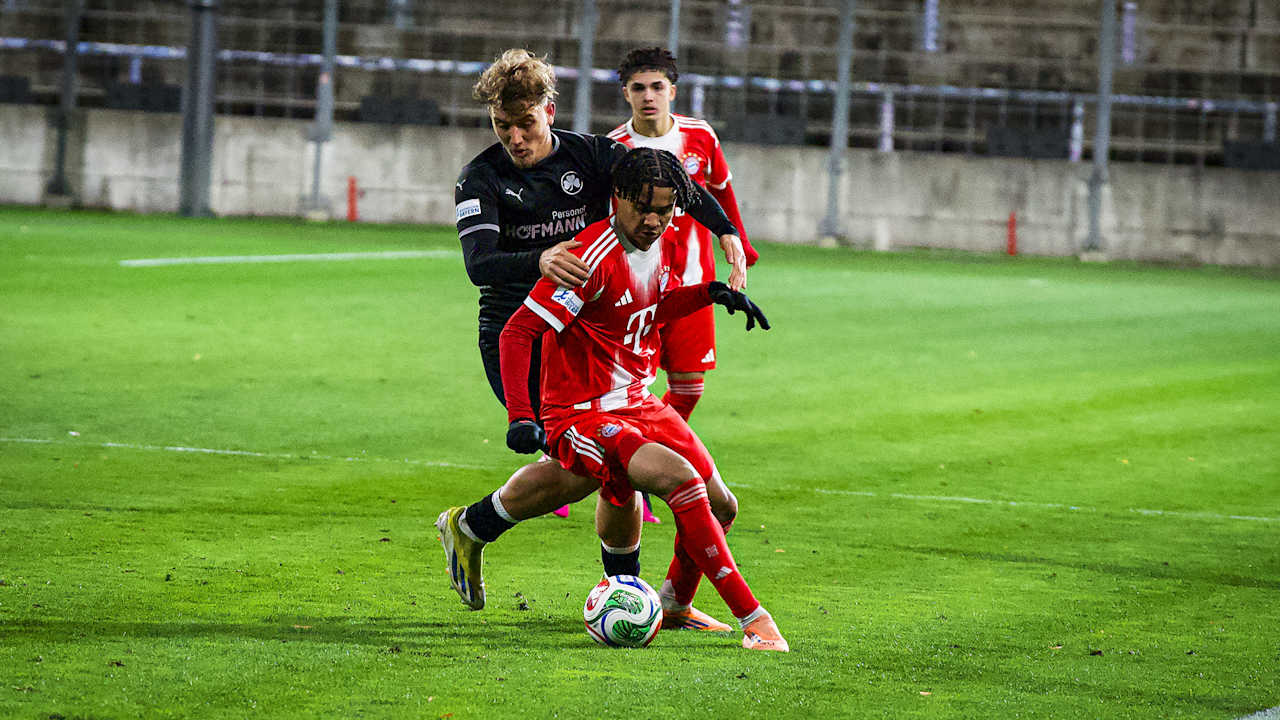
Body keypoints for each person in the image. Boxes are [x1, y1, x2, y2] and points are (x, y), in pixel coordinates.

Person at [437, 49, 746, 629]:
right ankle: (475, 528)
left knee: (610, 464)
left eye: (525, 124)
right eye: (503, 127)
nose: (516, 138)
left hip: (589, 331)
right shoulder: (479, 178)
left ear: (548, 112)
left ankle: (624, 595)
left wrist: (725, 230)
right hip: (520, 332)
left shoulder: (590, 155)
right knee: (587, 467)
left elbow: (665, 178)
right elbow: (480, 265)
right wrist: (541, 257)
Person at [499, 146, 788, 651]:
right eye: (643, 209)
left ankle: (675, 606)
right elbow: (518, 332)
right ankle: (755, 620)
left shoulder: (668, 240)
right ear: (618, 199)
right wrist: (521, 416)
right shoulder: (588, 257)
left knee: (723, 506)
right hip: (582, 412)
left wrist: (710, 293)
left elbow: (649, 307)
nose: (654, 220)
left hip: (637, 397)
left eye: (665, 209)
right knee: (677, 478)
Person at [608, 47, 758, 525]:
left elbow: (719, 193)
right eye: (638, 88)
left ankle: (641, 468)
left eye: (657, 87)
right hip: (634, 286)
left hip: (692, 281)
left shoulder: (699, 136)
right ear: (626, 94)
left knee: (688, 388)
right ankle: (607, 470)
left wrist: (739, 245)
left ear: (672, 91)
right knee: (626, 393)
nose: (648, 96)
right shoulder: (613, 148)